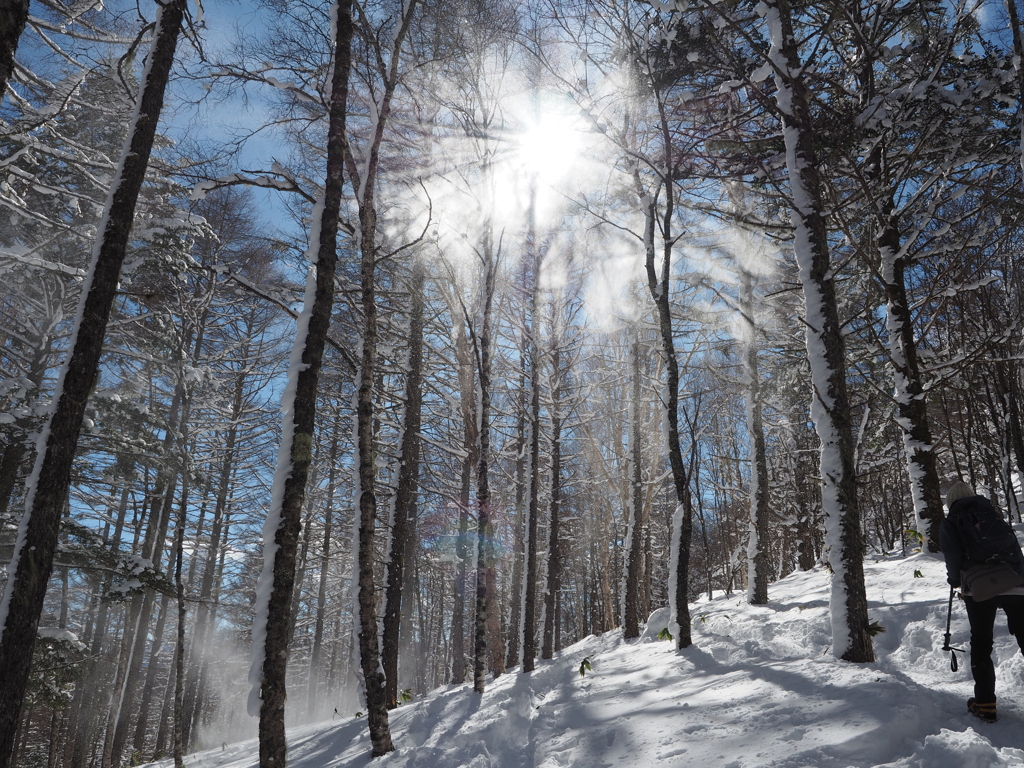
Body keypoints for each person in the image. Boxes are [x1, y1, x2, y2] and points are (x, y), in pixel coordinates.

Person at [940, 481, 1024, 723]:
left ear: (951, 503)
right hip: (1015, 582)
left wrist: (955, 580)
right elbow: (1015, 551)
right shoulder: (992, 515)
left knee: (982, 642)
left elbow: (953, 555)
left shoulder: (952, 522)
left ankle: (986, 705)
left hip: (979, 587)